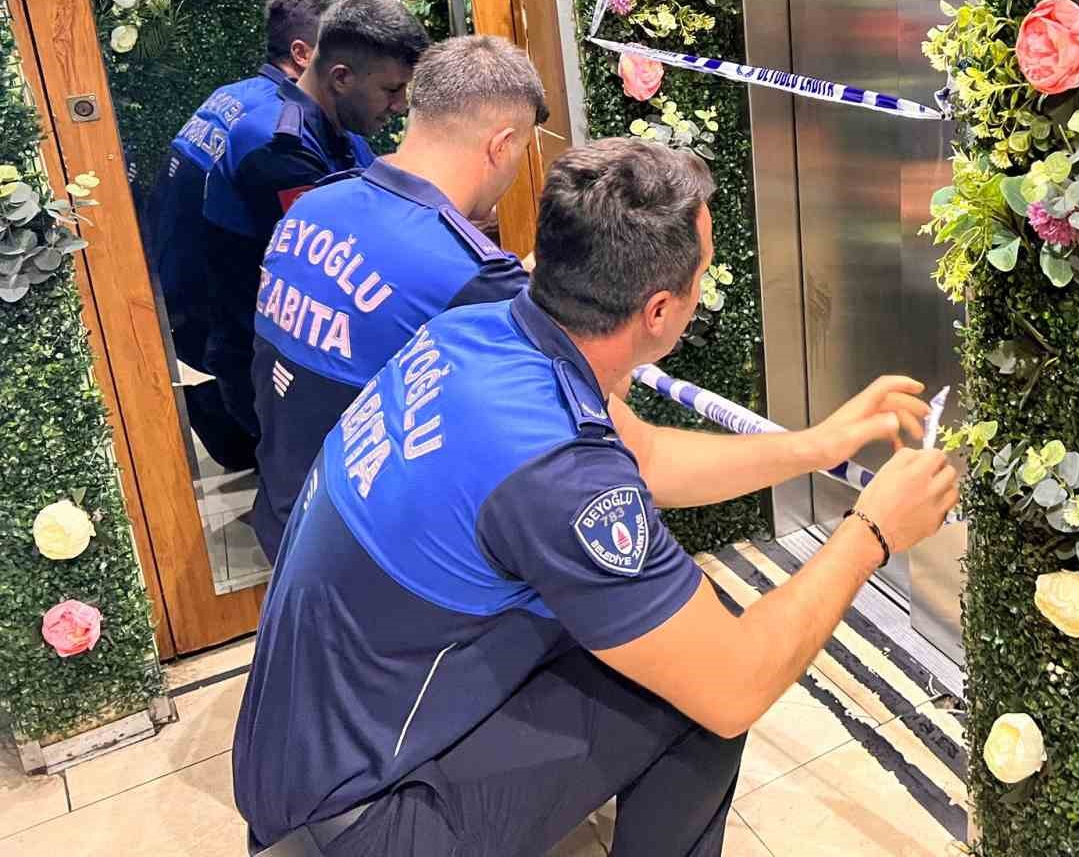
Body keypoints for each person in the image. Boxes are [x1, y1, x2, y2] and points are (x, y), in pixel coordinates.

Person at [233, 138, 957, 857]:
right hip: (357, 823)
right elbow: (736, 683)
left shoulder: (480, 329)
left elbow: (648, 457)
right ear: (660, 310)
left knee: (665, 634)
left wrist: (818, 446)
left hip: (295, 761)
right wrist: (872, 531)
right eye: (703, 276)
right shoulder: (557, 475)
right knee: (702, 694)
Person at [249, 35, 548, 563]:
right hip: (377, 559)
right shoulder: (470, 274)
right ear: (502, 145)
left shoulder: (314, 206)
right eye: (522, 150)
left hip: (287, 517)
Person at [203, 0, 428, 450]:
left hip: (301, 352)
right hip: (273, 370)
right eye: (391, 90)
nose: (400, 106)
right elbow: (344, 260)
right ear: (341, 78)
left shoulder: (334, 128)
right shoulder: (277, 146)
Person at [143, 0, 333, 471]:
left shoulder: (232, 96)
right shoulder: (276, 125)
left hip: (182, 288)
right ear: (302, 53)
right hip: (221, 306)